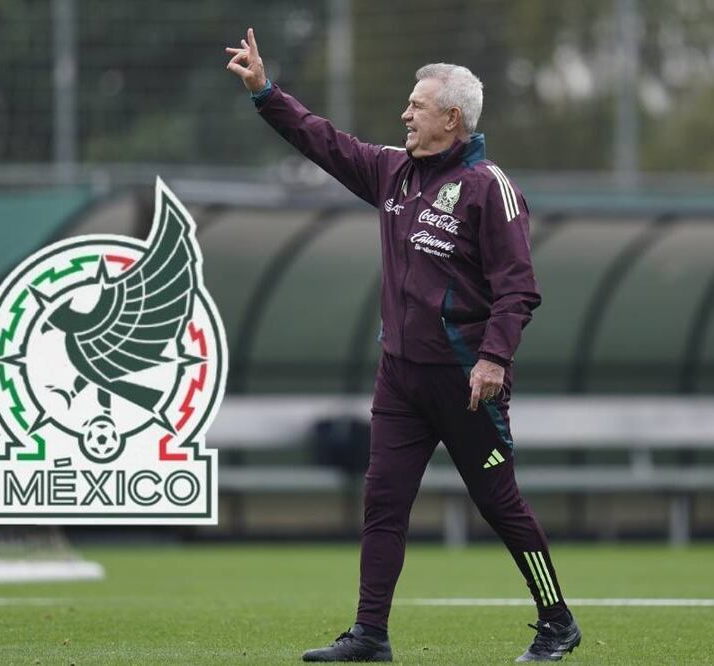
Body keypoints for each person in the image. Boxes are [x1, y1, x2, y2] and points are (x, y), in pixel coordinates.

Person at [225, 27, 581, 663]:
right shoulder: (394, 172)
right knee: (383, 503)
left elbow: (519, 289)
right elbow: (323, 141)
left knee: (500, 504)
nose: (404, 115)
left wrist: (494, 358)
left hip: (466, 383)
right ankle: (370, 635)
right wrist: (265, 92)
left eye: (416, 105)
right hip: (401, 379)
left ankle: (557, 622)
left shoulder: (488, 188)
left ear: (451, 118)